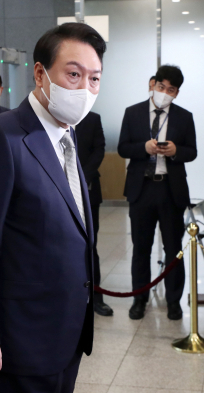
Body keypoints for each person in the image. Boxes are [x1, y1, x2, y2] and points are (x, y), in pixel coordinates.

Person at [0, 23, 105, 393]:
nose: (84, 89)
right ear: (40, 73)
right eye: (73, 75)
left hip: (65, 335)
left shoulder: (67, 135)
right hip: (17, 343)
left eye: (94, 78)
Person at [118, 65, 197, 321]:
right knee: (141, 247)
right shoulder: (133, 112)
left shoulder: (184, 116)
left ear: (176, 93)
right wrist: (143, 148)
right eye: (161, 87)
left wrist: (176, 151)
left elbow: (192, 151)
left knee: (173, 248)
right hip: (141, 188)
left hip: (170, 189)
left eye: (171, 90)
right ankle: (139, 299)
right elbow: (122, 148)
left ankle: (173, 301)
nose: (164, 92)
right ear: (153, 85)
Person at [75, 111, 113, 316]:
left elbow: (99, 150)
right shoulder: (51, 115)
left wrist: (80, 176)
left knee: (90, 245)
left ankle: (96, 298)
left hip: (88, 189)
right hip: (55, 189)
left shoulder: (92, 119)